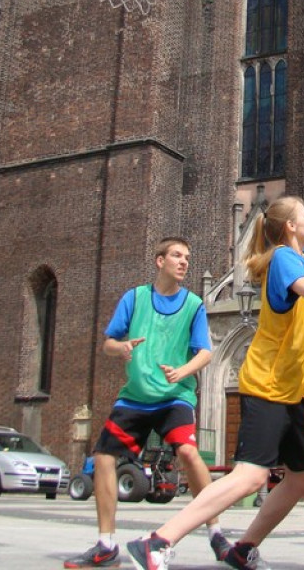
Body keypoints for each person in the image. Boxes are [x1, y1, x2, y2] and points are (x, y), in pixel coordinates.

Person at [126, 137, 304, 570]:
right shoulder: (284, 261)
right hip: (268, 385)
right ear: (290, 227)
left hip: (289, 391)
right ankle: (158, 540)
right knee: (251, 475)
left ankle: (245, 549)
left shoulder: (303, 255)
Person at [64, 237, 229, 569]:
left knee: (187, 452)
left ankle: (217, 533)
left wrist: (182, 371)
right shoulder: (134, 298)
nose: (184, 262)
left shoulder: (194, 304)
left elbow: (207, 353)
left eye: (187, 257)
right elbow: (109, 343)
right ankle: (106, 545)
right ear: (160, 261)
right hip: (136, 397)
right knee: (104, 457)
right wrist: (122, 349)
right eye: (177, 256)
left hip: (174, 397)